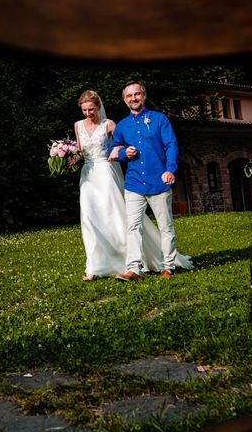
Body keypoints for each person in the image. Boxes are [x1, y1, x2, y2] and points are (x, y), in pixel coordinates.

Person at [74, 89, 171, 281]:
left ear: (98, 107)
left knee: (113, 215)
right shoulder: (77, 125)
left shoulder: (109, 124)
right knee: (89, 219)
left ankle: (127, 261)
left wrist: (122, 151)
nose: (87, 113)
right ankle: (93, 266)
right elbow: (79, 151)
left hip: (106, 173)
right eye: (84, 110)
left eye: (91, 109)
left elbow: (122, 143)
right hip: (88, 176)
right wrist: (66, 157)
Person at [110, 81, 189, 282]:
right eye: (129, 96)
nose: (133, 98)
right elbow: (114, 151)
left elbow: (171, 145)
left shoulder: (159, 119)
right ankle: (133, 270)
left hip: (159, 182)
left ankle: (168, 267)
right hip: (134, 183)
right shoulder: (121, 126)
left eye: (137, 94)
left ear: (144, 96)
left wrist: (170, 170)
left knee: (166, 226)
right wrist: (124, 154)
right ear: (124, 100)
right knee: (133, 227)